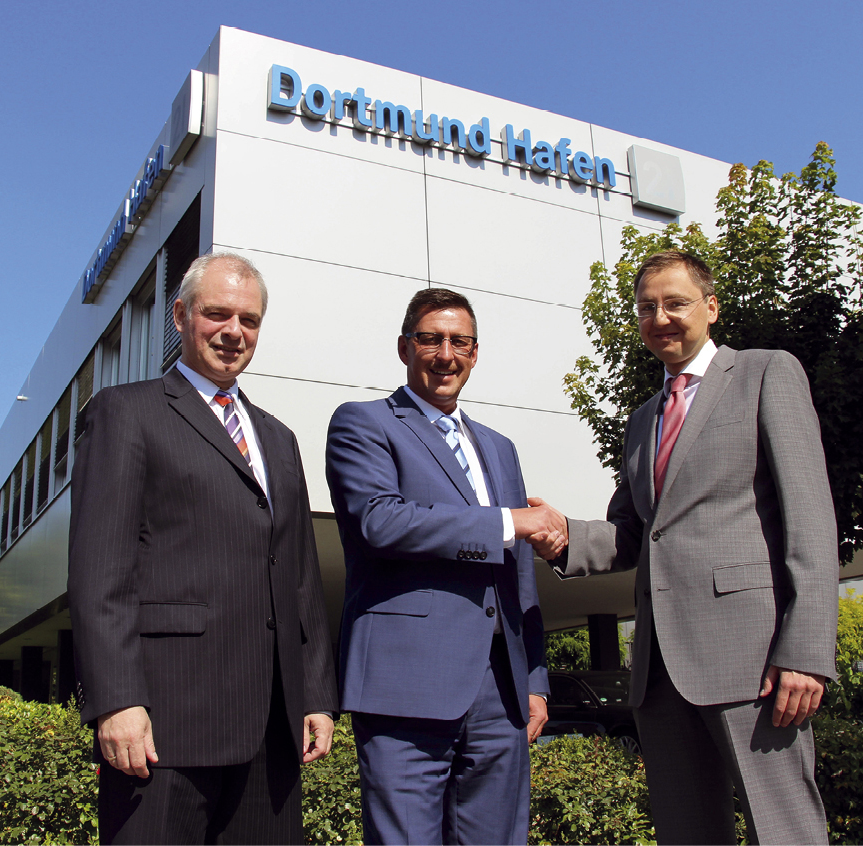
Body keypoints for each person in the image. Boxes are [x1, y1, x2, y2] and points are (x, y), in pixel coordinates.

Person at [554, 251, 838, 844]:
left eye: (675, 303)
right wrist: (557, 535)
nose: (660, 317)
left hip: (756, 662)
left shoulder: (766, 372)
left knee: (783, 829)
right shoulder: (642, 420)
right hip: (659, 669)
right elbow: (635, 534)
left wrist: (806, 652)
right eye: (647, 307)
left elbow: (811, 519)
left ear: (711, 308)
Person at [68, 252, 339, 844]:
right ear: (180, 315)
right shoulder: (126, 412)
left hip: (271, 733)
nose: (234, 332)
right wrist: (116, 700)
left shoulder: (279, 438)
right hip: (164, 726)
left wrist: (317, 694)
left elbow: (299, 576)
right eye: (217, 314)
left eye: (249, 320)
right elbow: (99, 573)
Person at [324, 288, 565, 845]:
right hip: (405, 684)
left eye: (461, 342)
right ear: (404, 347)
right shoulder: (364, 423)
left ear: (476, 353)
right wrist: (507, 521)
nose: (446, 355)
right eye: (431, 340)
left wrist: (533, 679)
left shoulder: (499, 447)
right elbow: (380, 521)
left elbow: (518, 572)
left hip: (500, 691)